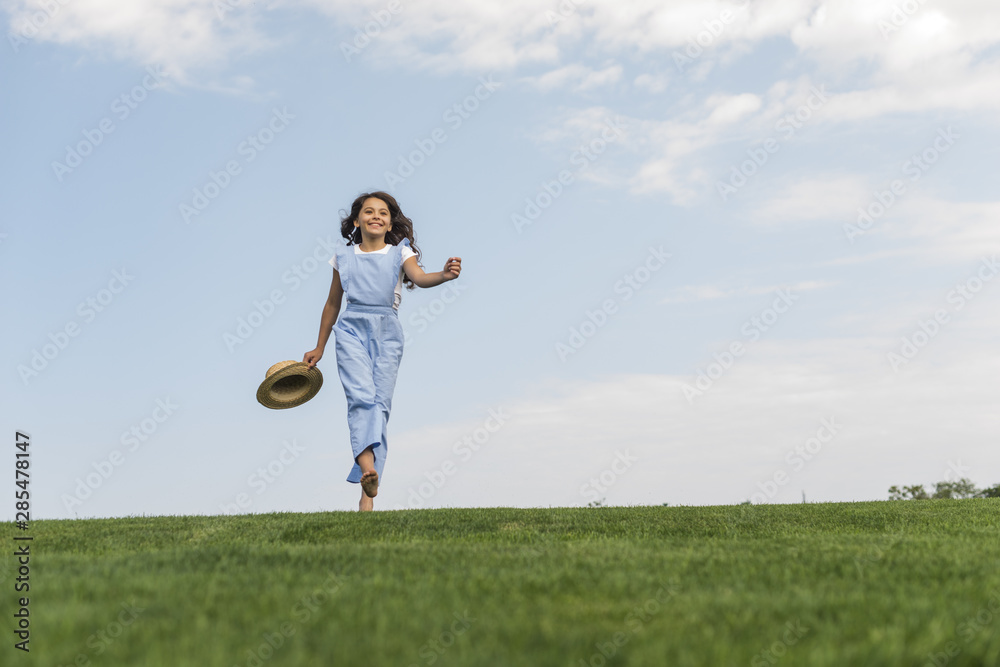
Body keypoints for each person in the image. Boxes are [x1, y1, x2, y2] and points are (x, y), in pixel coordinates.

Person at [303, 192, 461, 511]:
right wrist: (319, 346)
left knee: (380, 406)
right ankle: (366, 471)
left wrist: (443, 276)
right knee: (360, 399)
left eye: (384, 213)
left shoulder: (400, 252)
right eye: (369, 211)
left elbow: (419, 277)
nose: (377, 216)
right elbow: (333, 303)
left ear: (390, 222)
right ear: (357, 220)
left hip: (387, 332)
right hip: (350, 330)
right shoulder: (343, 257)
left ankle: (367, 488)